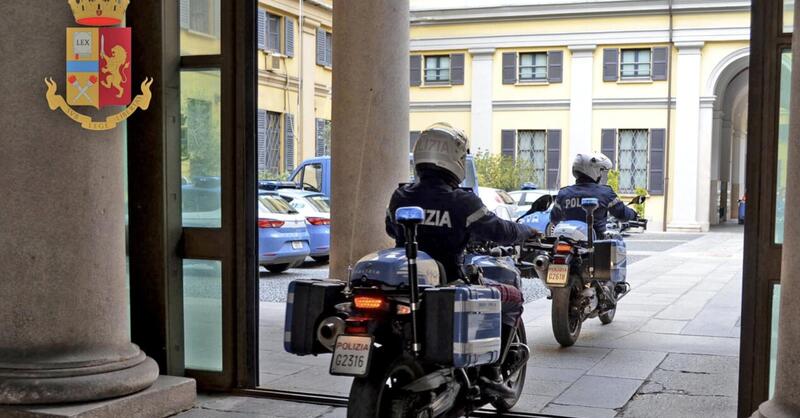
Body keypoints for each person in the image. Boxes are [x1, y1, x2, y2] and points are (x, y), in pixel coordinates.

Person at [385, 123, 539, 400]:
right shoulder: (461, 201)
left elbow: (389, 228)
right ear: (454, 159)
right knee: (513, 297)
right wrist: (526, 231)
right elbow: (501, 231)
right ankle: (492, 371)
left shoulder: (400, 196)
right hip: (449, 280)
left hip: (406, 282)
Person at [549, 153, 638, 239]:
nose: (600, 175)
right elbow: (622, 214)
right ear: (593, 170)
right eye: (600, 170)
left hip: (569, 241)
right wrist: (634, 214)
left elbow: (554, 218)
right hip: (595, 243)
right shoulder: (605, 193)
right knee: (618, 242)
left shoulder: (563, 193)